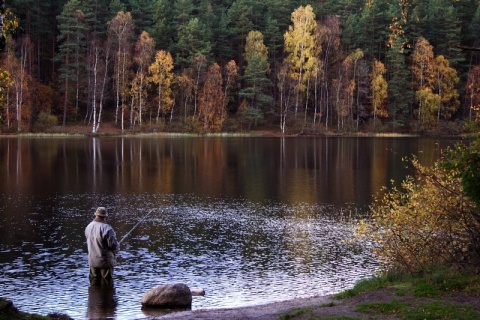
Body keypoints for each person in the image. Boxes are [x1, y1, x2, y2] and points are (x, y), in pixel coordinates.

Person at [85, 207, 119, 279]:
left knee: (94, 282)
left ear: (96, 215)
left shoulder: (88, 226)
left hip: (92, 261)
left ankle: (94, 290)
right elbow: (113, 245)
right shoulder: (107, 228)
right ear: (105, 216)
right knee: (106, 283)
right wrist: (117, 248)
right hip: (105, 262)